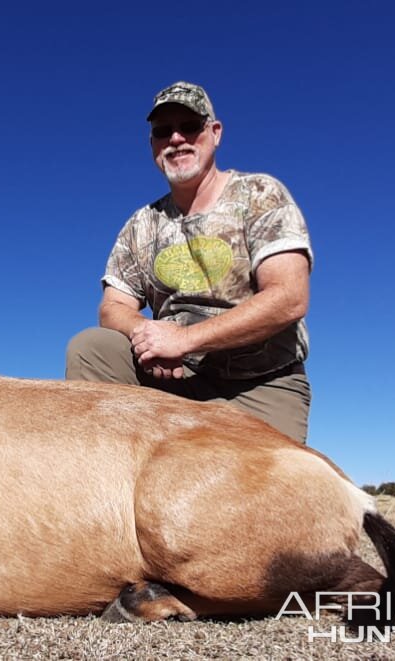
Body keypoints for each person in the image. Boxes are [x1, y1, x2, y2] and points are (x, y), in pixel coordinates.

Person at [65, 81, 313, 443]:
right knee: (90, 349)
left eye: (190, 126)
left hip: (260, 383)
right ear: (153, 146)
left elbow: (289, 297)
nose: (176, 138)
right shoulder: (141, 224)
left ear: (214, 133)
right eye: (163, 132)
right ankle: (103, 486)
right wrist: (148, 337)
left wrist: (185, 340)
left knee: (266, 490)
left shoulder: (260, 194)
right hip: (174, 376)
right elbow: (113, 307)